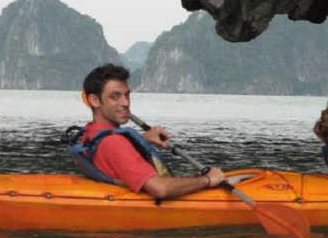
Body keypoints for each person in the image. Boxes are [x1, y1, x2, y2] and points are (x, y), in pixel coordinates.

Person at [74, 63, 226, 199]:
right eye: (115, 97)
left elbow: (111, 154)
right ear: (94, 101)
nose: (125, 103)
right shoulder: (114, 143)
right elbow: (160, 189)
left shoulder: (90, 133)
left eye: (127, 95)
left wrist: (141, 140)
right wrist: (207, 179)